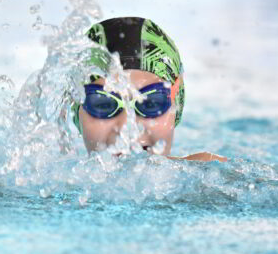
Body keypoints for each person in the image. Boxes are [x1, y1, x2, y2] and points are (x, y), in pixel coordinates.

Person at [71, 16, 226, 162]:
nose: (127, 127)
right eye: (103, 104)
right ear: (76, 109)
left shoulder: (211, 176)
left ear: (176, 102)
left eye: (150, 103)